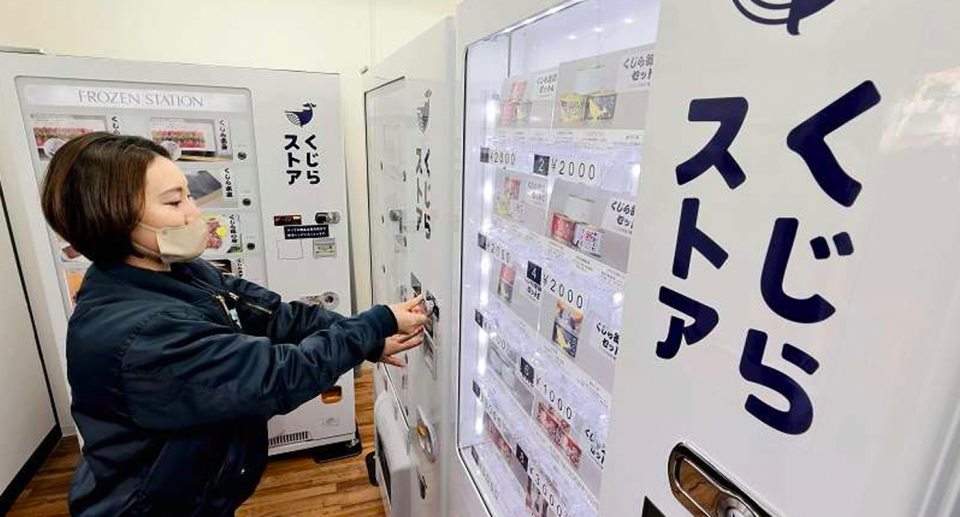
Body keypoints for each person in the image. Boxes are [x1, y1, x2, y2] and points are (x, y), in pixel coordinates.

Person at [39, 132, 428, 517]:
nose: (194, 214)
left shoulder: (179, 272)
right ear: (112, 218)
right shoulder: (142, 332)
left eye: (188, 195)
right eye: (175, 202)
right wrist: (376, 322)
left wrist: (371, 338)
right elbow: (276, 377)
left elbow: (274, 316)